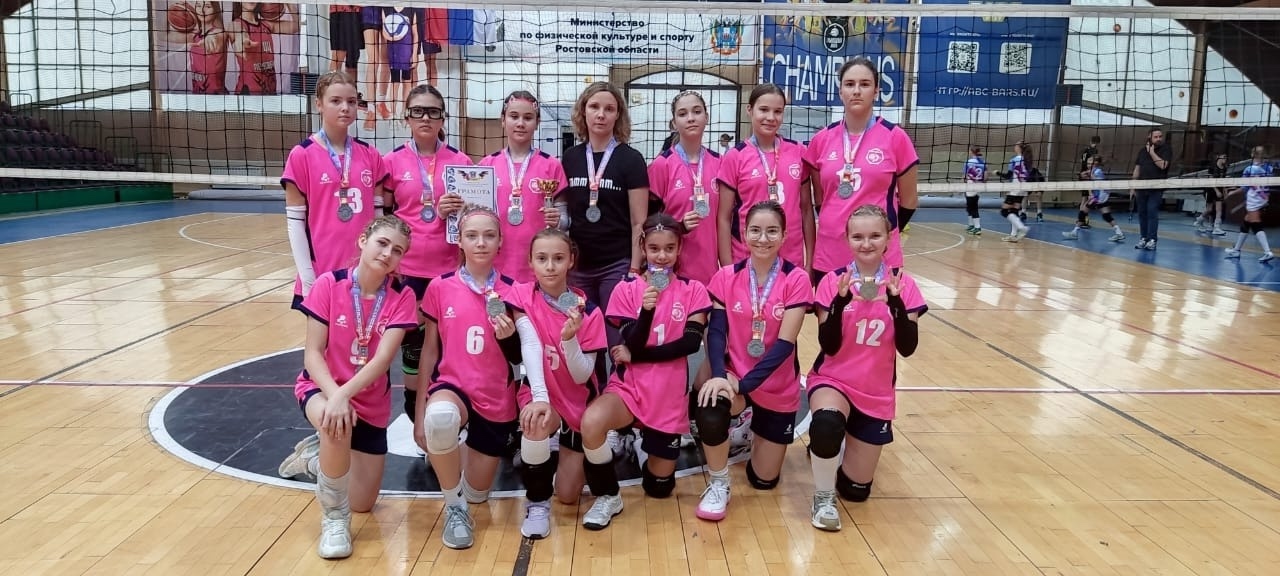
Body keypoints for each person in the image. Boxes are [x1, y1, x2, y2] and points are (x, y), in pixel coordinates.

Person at [285, 216, 418, 559]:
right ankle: (334, 519)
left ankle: (316, 459)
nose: (388, 253)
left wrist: (345, 395)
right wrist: (336, 396)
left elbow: (382, 361)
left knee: (362, 503)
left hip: (369, 402)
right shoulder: (329, 284)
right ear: (363, 240)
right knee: (336, 424)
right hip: (321, 388)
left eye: (397, 250)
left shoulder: (402, 297)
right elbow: (313, 354)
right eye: (382, 243)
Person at [577, 213, 711, 530]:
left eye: (669, 248)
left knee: (659, 488)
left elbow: (690, 344)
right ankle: (609, 496)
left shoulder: (693, 290)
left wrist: (638, 355)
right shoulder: (626, 289)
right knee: (591, 422)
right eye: (654, 248)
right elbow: (631, 341)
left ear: (679, 249)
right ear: (642, 247)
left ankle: (640, 445)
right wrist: (646, 312)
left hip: (667, 395)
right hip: (630, 389)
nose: (661, 256)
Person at [806, 204, 926, 531]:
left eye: (875, 236)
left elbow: (908, 348)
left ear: (889, 238)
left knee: (856, 491)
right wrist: (839, 303)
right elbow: (829, 345)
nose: (866, 243)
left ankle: (840, 445)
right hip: (833, 380)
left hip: (875, 391)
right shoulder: (833, 282)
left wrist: (896, 304)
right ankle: (823, 497)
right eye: (858, 236)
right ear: (847, 239)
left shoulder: (903, 284)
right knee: (826, 426)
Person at [695, 201, 810, 521]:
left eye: (772, 231)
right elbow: (716, 333)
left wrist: (743, 384)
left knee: (763, 480)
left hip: (775, 384)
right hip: (735, 374)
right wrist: (721, 376)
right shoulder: (726, 276)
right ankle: (719, 483)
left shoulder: (796, 278)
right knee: (711, 405)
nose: (763, 238)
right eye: (755, 230)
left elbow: (784, 345)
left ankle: (749, 428)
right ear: (744, 234)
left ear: (784, 235)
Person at [413, 206, 521, 550]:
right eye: (472, 236)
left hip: (495, 397)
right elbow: (430, 352)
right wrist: (420, 415)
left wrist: (509, 338)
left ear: (501, 241)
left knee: (477, 493)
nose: (481, 243)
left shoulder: (514, 291)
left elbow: (521, 357)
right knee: (440, 419)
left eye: (489, 235)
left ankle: (448, 455)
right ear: (459, 241)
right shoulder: (440, 287)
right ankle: (454, 508)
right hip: (452, 386)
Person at [506, 228, 609, 538]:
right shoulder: (521, 296)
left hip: (577, 399)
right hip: (541, 392)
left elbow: (582, 375)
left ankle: (570, 450)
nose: (550, 266)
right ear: (530, 262)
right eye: (542, 258)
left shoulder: (589, 311)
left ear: (571, 261)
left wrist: (569, 340)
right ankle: (537, 504)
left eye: (558, 258)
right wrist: (540, 398)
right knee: (536, 421)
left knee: (567, 494)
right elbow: (529, 345)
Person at [382, 83, 471, 426]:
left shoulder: (460, 162)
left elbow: (475, 218)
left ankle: (448, 415)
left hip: (449, 272)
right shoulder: (391, 162)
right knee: (414, 349)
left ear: (442, 118)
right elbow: (385, 219)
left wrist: (457, 210)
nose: (425, 118)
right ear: (406, 117)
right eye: (418, 111)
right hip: (407, 274)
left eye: (433, 112)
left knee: (448, 349)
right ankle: (415, 414)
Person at [559, 81, 652, 377]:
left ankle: (620, 399)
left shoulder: (631, 159)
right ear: (583, 112)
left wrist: (634, 269)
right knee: (586, 340)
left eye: (609, 109)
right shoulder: (570, 158)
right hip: (579, 268)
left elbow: (639, 222)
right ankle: (592, 398)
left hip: (617, 265)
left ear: (618, 115)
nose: (601, 114)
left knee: (617, 341)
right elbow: (565, 216)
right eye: (594, 107)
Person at [803, 58, 920, 282]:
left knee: (880, 306)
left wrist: (882, 233)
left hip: (879, 257)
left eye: (864, 84)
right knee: (830, 307)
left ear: (876, 91)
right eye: (849, 84)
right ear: (840, 91)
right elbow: (821, 200)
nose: (856, 91)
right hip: (829, 254)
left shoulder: (896, 138)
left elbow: (909, 201)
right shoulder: (821, 139)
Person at [282, 71, 388, 313]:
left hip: (364, 270)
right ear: (319, 104)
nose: (345, 108)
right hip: (322, 271)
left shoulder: (370, 155)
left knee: (364, 333)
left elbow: (379, 220)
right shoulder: (302, 155)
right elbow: (295, 224)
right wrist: (308, 279)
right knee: (324, 336)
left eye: (351, 101)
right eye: (336, 101)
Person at [717, 84, 813, 276]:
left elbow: (806, 210)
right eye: (763, 110)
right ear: (749, 110)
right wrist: (728, 269)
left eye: (777, 111)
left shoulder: (798, 152)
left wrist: (809, 262)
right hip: (746, 257)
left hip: (790, 258)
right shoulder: (735, 156)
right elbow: (724, 217)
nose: (770, 117)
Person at [480, 90, 570, 284]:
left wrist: (557, 221)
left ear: (537, 123)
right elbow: (475, 216)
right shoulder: (487, 165)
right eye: (514, 116)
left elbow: (564, 221)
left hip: (538, 267)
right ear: (502, 120)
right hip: (494, 266)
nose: (520, 123)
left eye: (528, 118)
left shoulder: (551, 165)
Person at [230, 2, 298, 95]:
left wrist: (289, 3)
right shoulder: (236, 24)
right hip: (248, 95)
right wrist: (241, 39)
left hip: (270, 93)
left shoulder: (266, 25)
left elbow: (296, 26)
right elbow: (235, 30)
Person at [164, 1, 229, 94]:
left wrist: (210, 39)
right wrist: (171, 10)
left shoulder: (220, 32)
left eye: (207, 6)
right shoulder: (194, 36)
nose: (202, 10)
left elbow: (217, 36)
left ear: (216, 10)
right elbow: (163, 35)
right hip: (197, 95)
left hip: (216, 96)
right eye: (198, 6)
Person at [1225, 146, 1274, 263]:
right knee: (1246, 223)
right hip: (1264, 198)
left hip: (1254, 199)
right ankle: (1236, 250)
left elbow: (1244, 188)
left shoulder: (1249, 169)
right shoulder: (1269, 168)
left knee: (1256, 225)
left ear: (1253, 155)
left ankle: (1267, 252)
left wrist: (1231, 193)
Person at [1062, 155, 1124, 242]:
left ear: (1095, 163)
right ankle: (1119, 233)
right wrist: (1083, 175)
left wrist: (1089, 178)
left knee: (1083, 212)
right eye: (1087, 163)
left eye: (1090, 163)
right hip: (1103, 195)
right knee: (1106, 215)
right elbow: (1087, 176)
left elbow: (1097, 181)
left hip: (1099, 196)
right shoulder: (1093, 171)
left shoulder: (1098, 171)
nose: (1088, 165)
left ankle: (1074, 232)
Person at [1129, 127, 1172, 250]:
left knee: (1152, 211)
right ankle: (1144, 238)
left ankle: (1152, 239)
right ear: (1149, 137)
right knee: (1142, 213)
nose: (1159, 139)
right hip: (1142, 187)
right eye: (1156, 137)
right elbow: (1137, 169)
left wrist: (1152, 152)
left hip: (1156, 187)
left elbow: (1163, 165)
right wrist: (1132, 186)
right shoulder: (1142, 151)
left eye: (1160, 136)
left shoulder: (1166, 149)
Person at [996, 141, 1032, 242]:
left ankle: (1022, 228)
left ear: (1019, 148)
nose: (1014, 146)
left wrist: (997, 173)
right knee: (1014, 211)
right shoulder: (1027, 160)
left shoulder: (1014, 160)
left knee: (1004, 211)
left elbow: (1008, 176)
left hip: (1015, 188)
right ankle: (1013, 235)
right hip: (1023, 188)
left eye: (1016, 145)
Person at [1195, 153, 1228, 236]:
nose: (1225, 159)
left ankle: (1216, 227)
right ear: (1218, 158)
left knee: (1219, 209)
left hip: (1219, 189)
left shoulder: (1224, 168)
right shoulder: (1213, 167)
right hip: (1211, 189)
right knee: (1209, 209)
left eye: (1226, 157)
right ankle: (1199, 220)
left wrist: (1225, 191)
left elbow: (1223, 180)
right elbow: (1211, 180)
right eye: (1224, 157)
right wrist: (1217, 191)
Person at [963, 145, 986, 235]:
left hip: (971, 187)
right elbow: (986, 176)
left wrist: (962, 186)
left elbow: (965, 176)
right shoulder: (982, 162)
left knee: (973, 207)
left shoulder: (969, 162)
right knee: (970, 207)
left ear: (971, 152)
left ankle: (977, 227)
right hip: (978, 187)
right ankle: (972, 225)